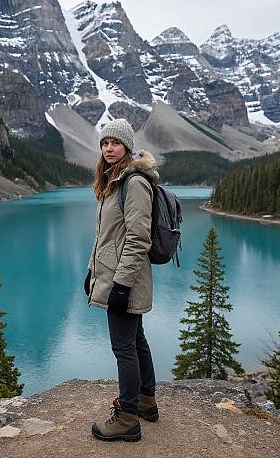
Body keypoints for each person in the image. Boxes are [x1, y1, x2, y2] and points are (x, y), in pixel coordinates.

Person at [84, 118, 159, 443]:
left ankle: (128, 417)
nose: (108, 147)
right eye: (104, 143)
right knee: (136, 340)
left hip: (124, 280)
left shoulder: (135, 182)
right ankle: (146, 400)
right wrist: (92, 271)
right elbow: (105, 236)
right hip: (113, 276)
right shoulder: (114, 181)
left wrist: (121, 285)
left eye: (114, 142)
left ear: (127, 146)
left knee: (124, 347)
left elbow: (138, 238)